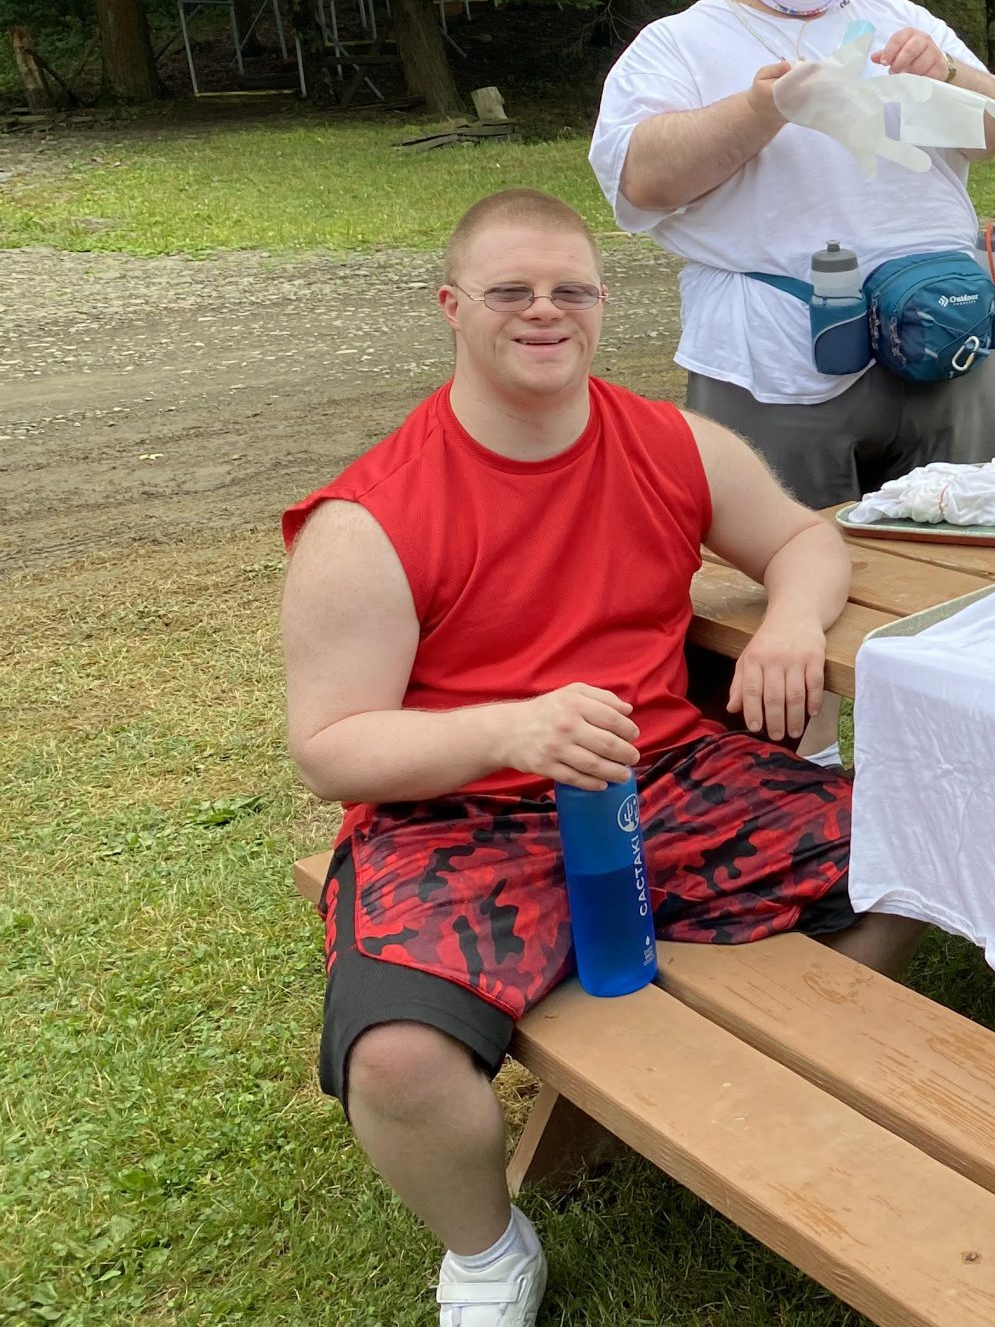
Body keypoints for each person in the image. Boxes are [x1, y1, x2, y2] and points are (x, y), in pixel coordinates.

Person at [281, 188, 922, 1327]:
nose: (544, 312)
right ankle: (485, 1249)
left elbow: (805, 539)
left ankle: (741, 1063)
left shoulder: (668, 440)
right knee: (399, 1063)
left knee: (919, 855)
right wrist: (504, 730)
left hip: (666, 778)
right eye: (511, 291)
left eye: (569, 288)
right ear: (450, 307)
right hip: (455, 813)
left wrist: (785, 623)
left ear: (600, 303)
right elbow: (331, 749)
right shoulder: (367, 519)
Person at [589, 0, 995, 518]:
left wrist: (946, 72)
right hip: (777, 365)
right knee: (792, 575)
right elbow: (642, 179)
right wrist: (763, 108)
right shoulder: (676, 44)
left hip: (947, 339)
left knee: (977, 562)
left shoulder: (901, 20)